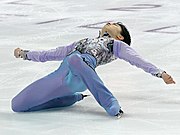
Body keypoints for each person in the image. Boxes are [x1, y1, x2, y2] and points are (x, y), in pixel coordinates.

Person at [12, 22, 175, 119]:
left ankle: (111, 103)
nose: (110, 22)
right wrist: (25, 54)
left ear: (120, 36)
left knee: (75, 59)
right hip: (62, 74)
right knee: (17, 105)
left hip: (82, 74)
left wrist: (160, 73)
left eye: (115, 24)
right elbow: (52, 53)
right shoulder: (82, 42)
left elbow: (138, 60)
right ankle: (70, 99)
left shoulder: (116, 45)